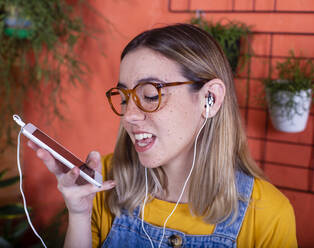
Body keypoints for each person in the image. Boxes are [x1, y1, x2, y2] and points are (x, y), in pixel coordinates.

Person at [28, 23, 297, 248]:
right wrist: (79, 214)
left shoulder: (267, 213)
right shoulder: (104, 181)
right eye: (124, 98)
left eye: (150, 95)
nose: (129, 115)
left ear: (210, 99)